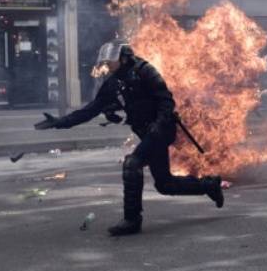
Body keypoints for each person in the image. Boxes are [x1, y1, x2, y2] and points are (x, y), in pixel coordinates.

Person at [35, 40, 224, 236]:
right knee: (165, 184)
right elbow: (90, 110)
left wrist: (158, 126)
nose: (107, 66)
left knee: (132, 164)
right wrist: (60, 122)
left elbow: (166, 101)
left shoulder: (145, 71)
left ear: (124, 58)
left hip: (161, 130)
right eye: (106, 62)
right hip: (145, 132)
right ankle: (209, 185)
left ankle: (132, 220)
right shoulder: (113, 82)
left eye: (111, 61)